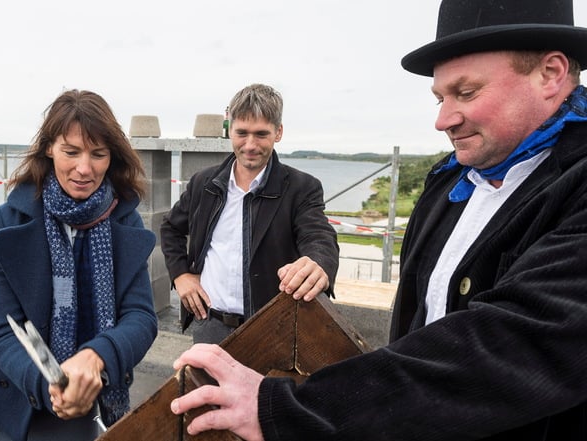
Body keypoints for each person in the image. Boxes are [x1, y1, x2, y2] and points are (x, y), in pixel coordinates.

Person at [169, 1, 587, 439]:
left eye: (466, 92)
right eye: (440, 97)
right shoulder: (447, 184)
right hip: (211, 323)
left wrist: (289, 409)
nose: (443, 119)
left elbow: (509, 349)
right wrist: (181, 275)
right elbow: (415, 330)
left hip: (261, 325)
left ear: (551, 73)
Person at [0, 89, 158, 441]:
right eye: (71, 151)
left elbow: (141, 317)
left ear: (112, 157)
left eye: (98, 154)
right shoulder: (4, 224)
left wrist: (96, 356)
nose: (84, 168)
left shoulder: (126, 224)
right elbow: (4, 330)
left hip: (78, 400)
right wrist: (50, 383)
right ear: (49, 147)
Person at [160, 83, 340, 344]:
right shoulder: (204, 183)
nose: (250, 145)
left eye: (261, 134)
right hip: (209, 325)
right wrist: (180, 275)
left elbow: (319, 235)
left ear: (278, 132)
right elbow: (171, 228)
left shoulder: (302, 188)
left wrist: (319, 263)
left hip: (272, 329)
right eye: (242, 133)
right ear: (230, 131)